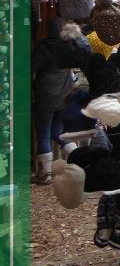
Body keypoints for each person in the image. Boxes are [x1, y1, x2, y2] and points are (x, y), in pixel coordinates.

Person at [32, 17, 75, 184]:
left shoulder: (45, 48)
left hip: (46, 96)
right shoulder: (68, 47)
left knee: (43, 132)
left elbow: (31, 67)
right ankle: (79, 161)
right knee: (58, 132)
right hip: (64, 95)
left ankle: (45, 174)